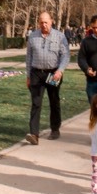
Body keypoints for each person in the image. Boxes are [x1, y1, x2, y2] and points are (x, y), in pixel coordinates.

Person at [25, 11, 70, 144]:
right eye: (41, 22)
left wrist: (60, 71)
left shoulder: (59, 36)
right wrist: (28, 76)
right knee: (36, 103)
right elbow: (28, 58)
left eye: (46, 22)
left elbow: (65, 55)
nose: (44, 25)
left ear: (51, 21)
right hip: (36, 74)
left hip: (52, 73)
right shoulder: (33, 37)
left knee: (54, 101)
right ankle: (34, 134)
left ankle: (55, 129)